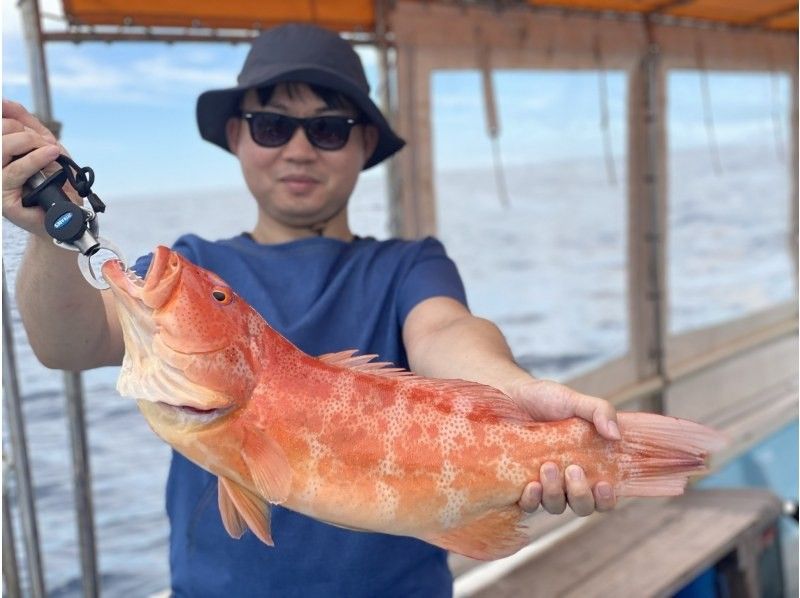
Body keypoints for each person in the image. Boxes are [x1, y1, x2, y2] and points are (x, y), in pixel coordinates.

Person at [3, 23, 620, 597]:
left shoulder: (408, 265)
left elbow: (448, 331)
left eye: (327, 129)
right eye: (272, 126)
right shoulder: (194, 263)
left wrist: (517, 393)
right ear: (238, 136)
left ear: (364, 143)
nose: (299, 149)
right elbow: (70, 345)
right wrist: (47, 234)